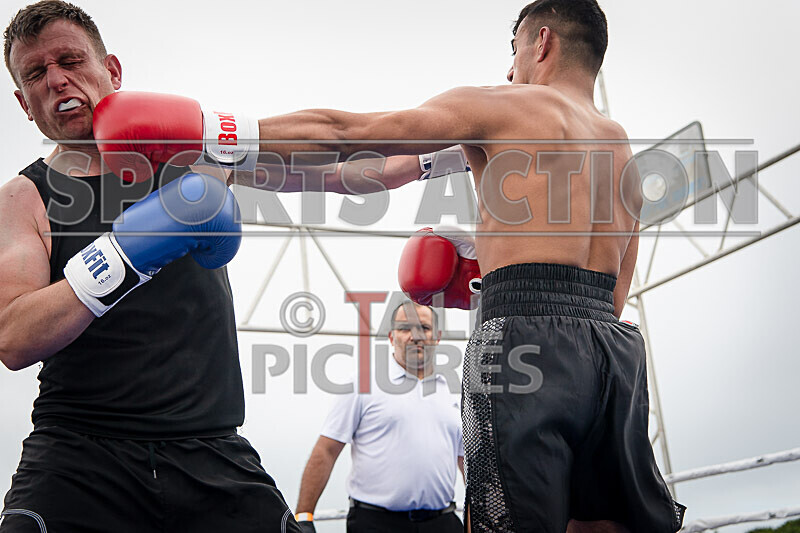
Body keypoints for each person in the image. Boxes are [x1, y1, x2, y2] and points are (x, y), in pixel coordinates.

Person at [63, 0, 685, 530]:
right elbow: (359, 177)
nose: (511, 64)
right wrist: (240, 168)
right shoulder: (623, 150)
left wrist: (208, 132)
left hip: (521, 340)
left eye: (516, 47)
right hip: (612, 358)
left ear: (541, 41)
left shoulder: (504, 105)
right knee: (605, 522)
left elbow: (348, 132)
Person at [0, 3, 468, 531]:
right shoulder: (23, 198)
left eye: (69, 60)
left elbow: (343, 175)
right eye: (36, 73)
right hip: (78, 455)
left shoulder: (194, 156)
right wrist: (125, 254)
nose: (57, 80)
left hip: (210, 449)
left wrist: (451, 153)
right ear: (23, 101)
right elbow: (14, 339)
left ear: (112, 70)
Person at [293, 301, 464, 533]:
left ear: (437, 337)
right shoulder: (363, 384)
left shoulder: (454, 392)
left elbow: (468, 464)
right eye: (405, 329)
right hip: (375, 524)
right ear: (392, 337)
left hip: (442, 524)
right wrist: (304, 516)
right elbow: (327, 450)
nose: (415, 336)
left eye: (424, 328)